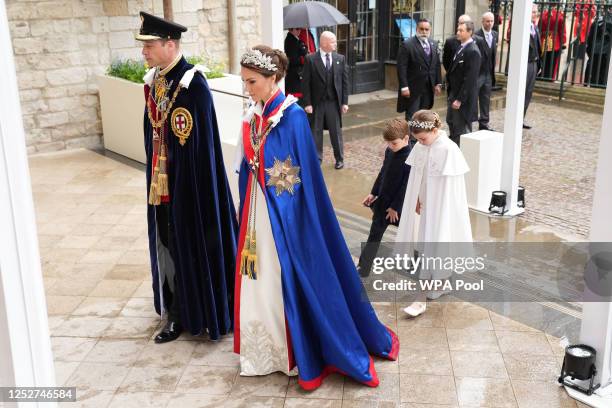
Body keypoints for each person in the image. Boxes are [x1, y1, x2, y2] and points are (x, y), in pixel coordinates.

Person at [234, 46, 399, 390]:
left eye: (252, 81)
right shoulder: (255, 115)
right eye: (245, 81)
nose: (247, 88)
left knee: (282, 276)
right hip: (257, 212)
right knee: (258, 276)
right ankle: (265, 349)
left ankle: (294, 350)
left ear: (272, 78)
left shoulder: (291, 117)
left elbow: (298, 179)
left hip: (285, 218)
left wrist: (268, 185)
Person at [136, 12, 238, 343]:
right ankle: (174, 308)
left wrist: (183, 185)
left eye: (149, 45)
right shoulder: (155, 81)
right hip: (161, 184)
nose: (144, 52)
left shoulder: (192, 86)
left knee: (185, 245)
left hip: (190, 187)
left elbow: (200, 148)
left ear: (170, 44)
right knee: (166, 244)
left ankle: (189, 310)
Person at [395, 110, 472, 317]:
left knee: (436, 245)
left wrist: (444, 211)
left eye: (422, 138)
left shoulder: (449, 149)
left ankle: (420, 299)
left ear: (436, 130)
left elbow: (451, 188)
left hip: (442, 208)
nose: (420, 142)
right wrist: (418, 198)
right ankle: (441, 284)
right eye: (417, 139)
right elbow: (419, 176)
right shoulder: (421, 147)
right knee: (431, 245)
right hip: (428, 206)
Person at [357, 119, 412, 278]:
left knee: (411, 237)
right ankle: (364, 268)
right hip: (382, 204)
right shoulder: (390, 151)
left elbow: (406, 185)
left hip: (399, 208)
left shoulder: (411, 157)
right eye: (388, 143)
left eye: (394, 143)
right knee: (373, 237)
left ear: (406, 139)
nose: (390, 147)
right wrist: (373, 193)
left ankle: (418, 267)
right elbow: (383, 173)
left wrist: (395, 207)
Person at [302, 31, 350, 169]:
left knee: (336, 132)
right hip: (317, 104)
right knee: (316, 132)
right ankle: (317, 159)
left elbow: (344, 82)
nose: (336, 44)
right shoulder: (310, 59)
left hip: (333, 103)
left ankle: (339, 158)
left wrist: (344, 102)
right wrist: (308, 103)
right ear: (324, 43)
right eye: (333, 41)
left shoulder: (340, 58)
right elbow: (305, 83)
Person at [396, 18, 442, 123]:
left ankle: (421, 139)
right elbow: (401, 67)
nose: (424, 32)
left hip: (428, 87)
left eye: (427, 29)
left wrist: (438, 83)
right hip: (413, 88)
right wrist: (404, 87)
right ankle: (411, 139)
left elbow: (437, 65)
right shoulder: (407, 45)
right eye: (421, 29)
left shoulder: (433, 44)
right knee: (412, 116)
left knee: (424, 116)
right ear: (417, 29)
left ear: (430, 30)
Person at [446, 20, 481, 146]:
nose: (458, 33)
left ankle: (461, 155)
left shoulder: (472, 51)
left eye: (461, 30)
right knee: (451, 123)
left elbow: (470, 79)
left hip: (462, 100)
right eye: (458, 30)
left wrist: (459, 99)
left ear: (470, 32)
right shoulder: (461, 47)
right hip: (453, 94)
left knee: (461, 129)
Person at [475, 12, 497, 131]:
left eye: (492, 21)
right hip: (478, 73)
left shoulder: (495, 35)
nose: (490, 23)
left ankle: (484, 123)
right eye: (487, 21)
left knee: (485, 99)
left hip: (488, 73)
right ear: (482, 21)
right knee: (473, 98)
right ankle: (469, 121)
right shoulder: (476, 35)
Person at [524, 5, 542, 130]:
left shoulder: (535, 28)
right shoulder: (524, 28)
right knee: (522, 91)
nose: (535, 14)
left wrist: (539, 64)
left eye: (536, 12)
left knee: (528, 93)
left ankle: (521, 118)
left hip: (534, 63)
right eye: (532, 12)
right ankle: (516, 118)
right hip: (525, 64)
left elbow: (538, 47)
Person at [538, 6, 566, 80]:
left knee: (544, 62)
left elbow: (539, 29)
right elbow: (562, 31)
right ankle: (550, 79)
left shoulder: (543, 15)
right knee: (553, 65)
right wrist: (563, 41)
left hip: (544, 41)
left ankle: (543, 77)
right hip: (555, 43)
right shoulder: (559, 16)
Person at [585, 10, 612, 87]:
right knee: (603, 76)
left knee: (594, 74)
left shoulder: (597, 21)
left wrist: (589, 51)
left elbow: (590, 38)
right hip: (606, 53)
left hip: (595, 52)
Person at [284, 28, 308, 101]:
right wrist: (305, 58)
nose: (299, 31)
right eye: (297, 29)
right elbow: (293, 59)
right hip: (294, 74)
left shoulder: (296, 39)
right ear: (291, 30)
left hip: (298, 73)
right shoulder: (290, 40)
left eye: (299, 29)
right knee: (295, 99)